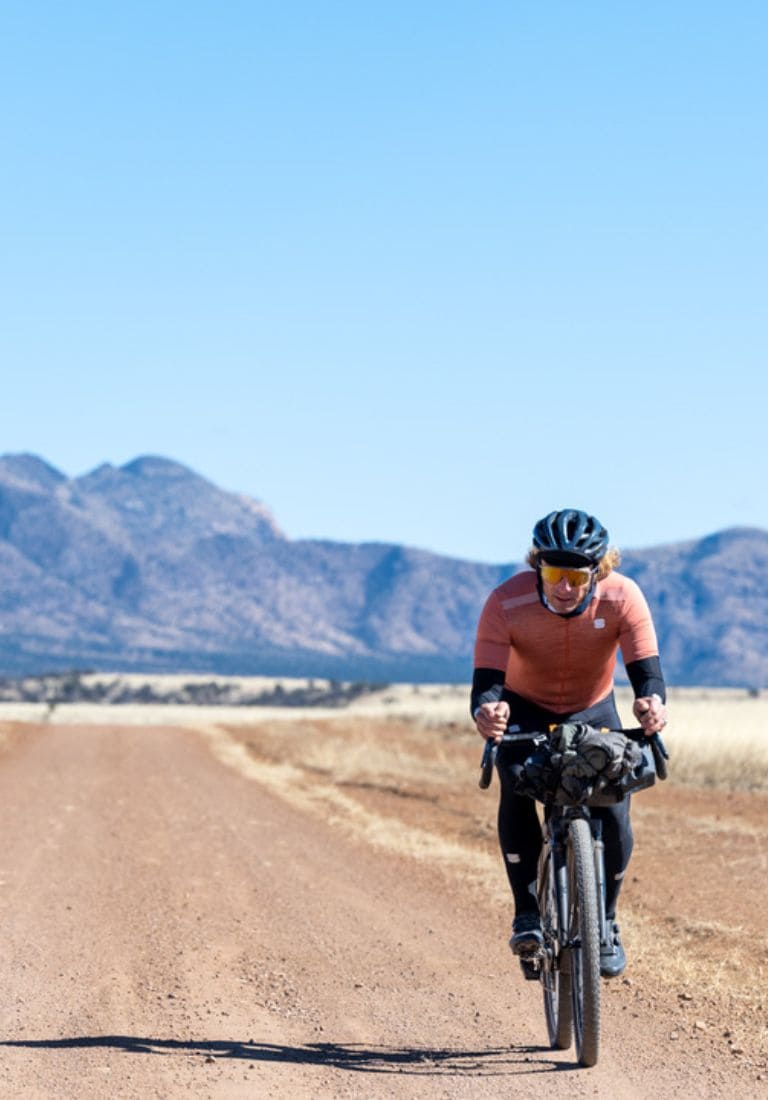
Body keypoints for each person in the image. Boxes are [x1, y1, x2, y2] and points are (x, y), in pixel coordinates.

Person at [471, 508, 668, 979]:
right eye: (553, 573)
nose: (563, 587)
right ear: (538, 566)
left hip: (593, 709)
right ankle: (527, 913)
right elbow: (487, 684)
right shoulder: (505, 601)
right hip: (525, 707)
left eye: (576, 577)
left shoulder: (623, 597)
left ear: (598, 572)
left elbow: (647, 674)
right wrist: (487, 712)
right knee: (517, 782)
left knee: (614, 805)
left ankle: (606, 921)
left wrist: (652, 705)